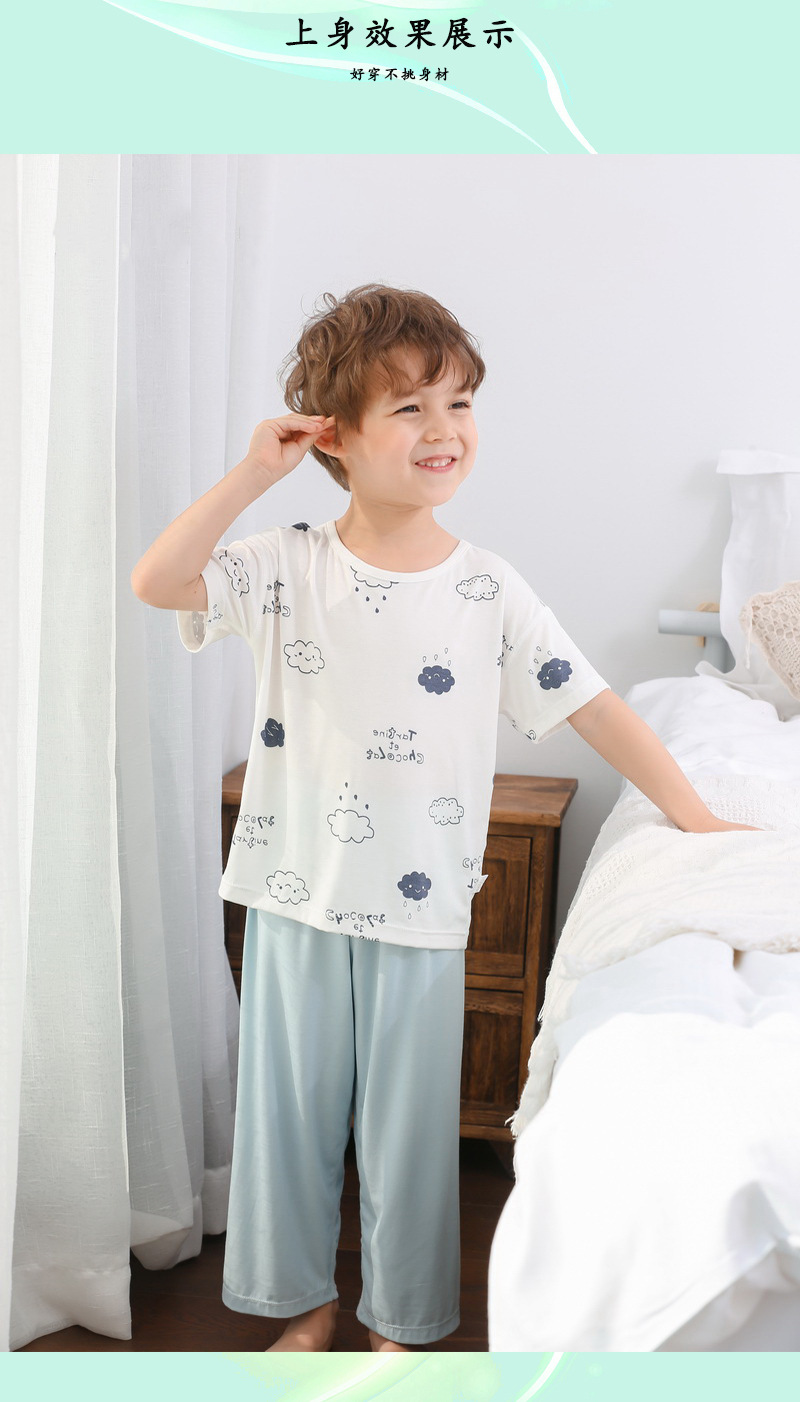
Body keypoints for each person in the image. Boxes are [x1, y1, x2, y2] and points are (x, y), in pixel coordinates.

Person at [130, 283, 758, 1353]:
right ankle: (303, 1305)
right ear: (335, 436)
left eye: (460, 403)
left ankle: (401, 1321)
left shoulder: (487, 590)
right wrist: (254, 471)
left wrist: (695, 816)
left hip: (420, 906)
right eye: (411, 407)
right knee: (286, 1118)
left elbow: (594, 706)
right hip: (293, 893)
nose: (445, 429)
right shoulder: (284, 565)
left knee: (408, 1130)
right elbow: (159, 580)